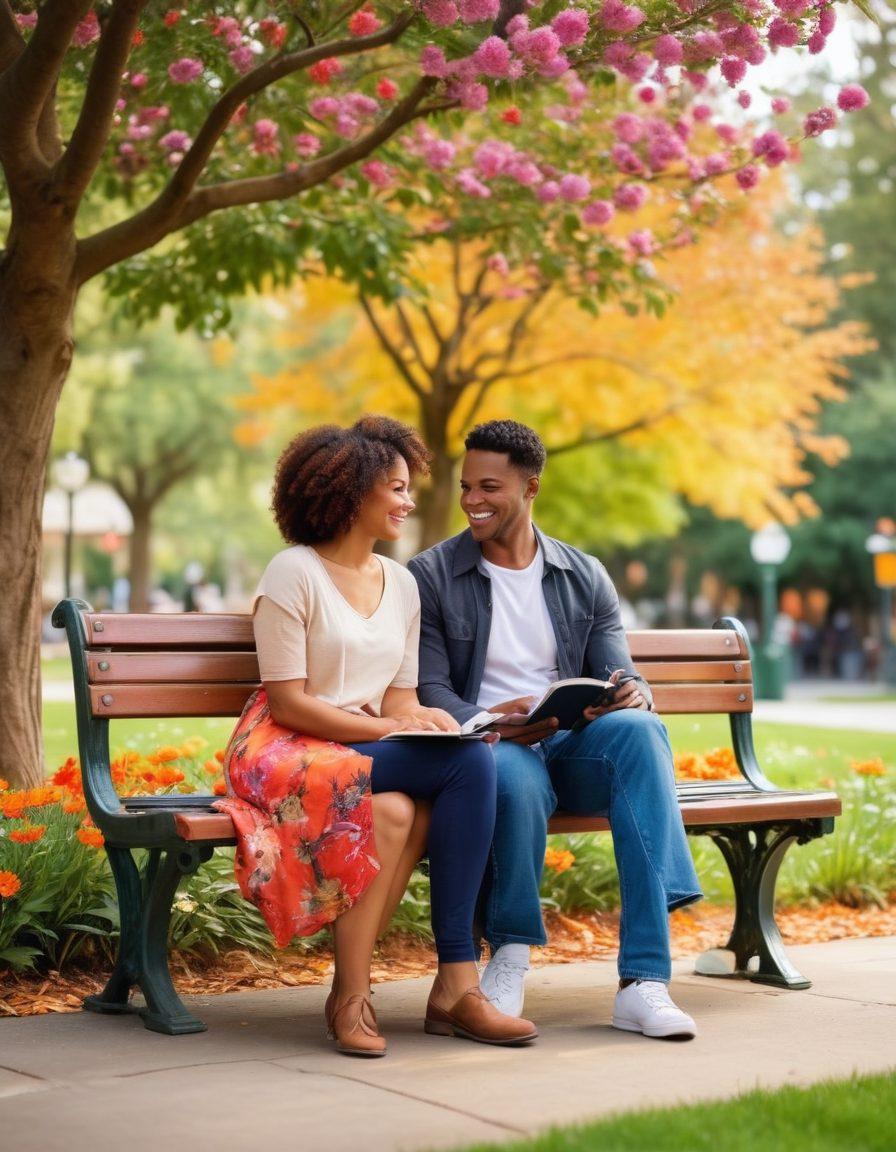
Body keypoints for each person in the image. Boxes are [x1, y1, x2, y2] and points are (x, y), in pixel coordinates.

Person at [217, 416, 536, 1058]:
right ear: (352, 491)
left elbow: (400, 696)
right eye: (395, 487)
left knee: (430, 786)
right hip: (286, 746)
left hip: (360, 745)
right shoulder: (293, 573)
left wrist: (428, 721)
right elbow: (289, 701)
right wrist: (391, 727)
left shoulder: (403, 584)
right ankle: (408, 992)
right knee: (460, 772)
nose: (408, 501)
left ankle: (419, 987)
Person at [408, 420, 702, 1040]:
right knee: (506, 769)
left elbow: (618, 666)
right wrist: (491, 718)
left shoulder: (583, 574)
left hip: (569, 744)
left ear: (531, 486)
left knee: (642, 735)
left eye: (490, 487)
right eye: (466, 487)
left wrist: (629, 693)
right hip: (488, 746)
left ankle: (644, 982)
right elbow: (429, 688)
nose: (472, 500)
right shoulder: (431, 576)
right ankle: (509, 955)